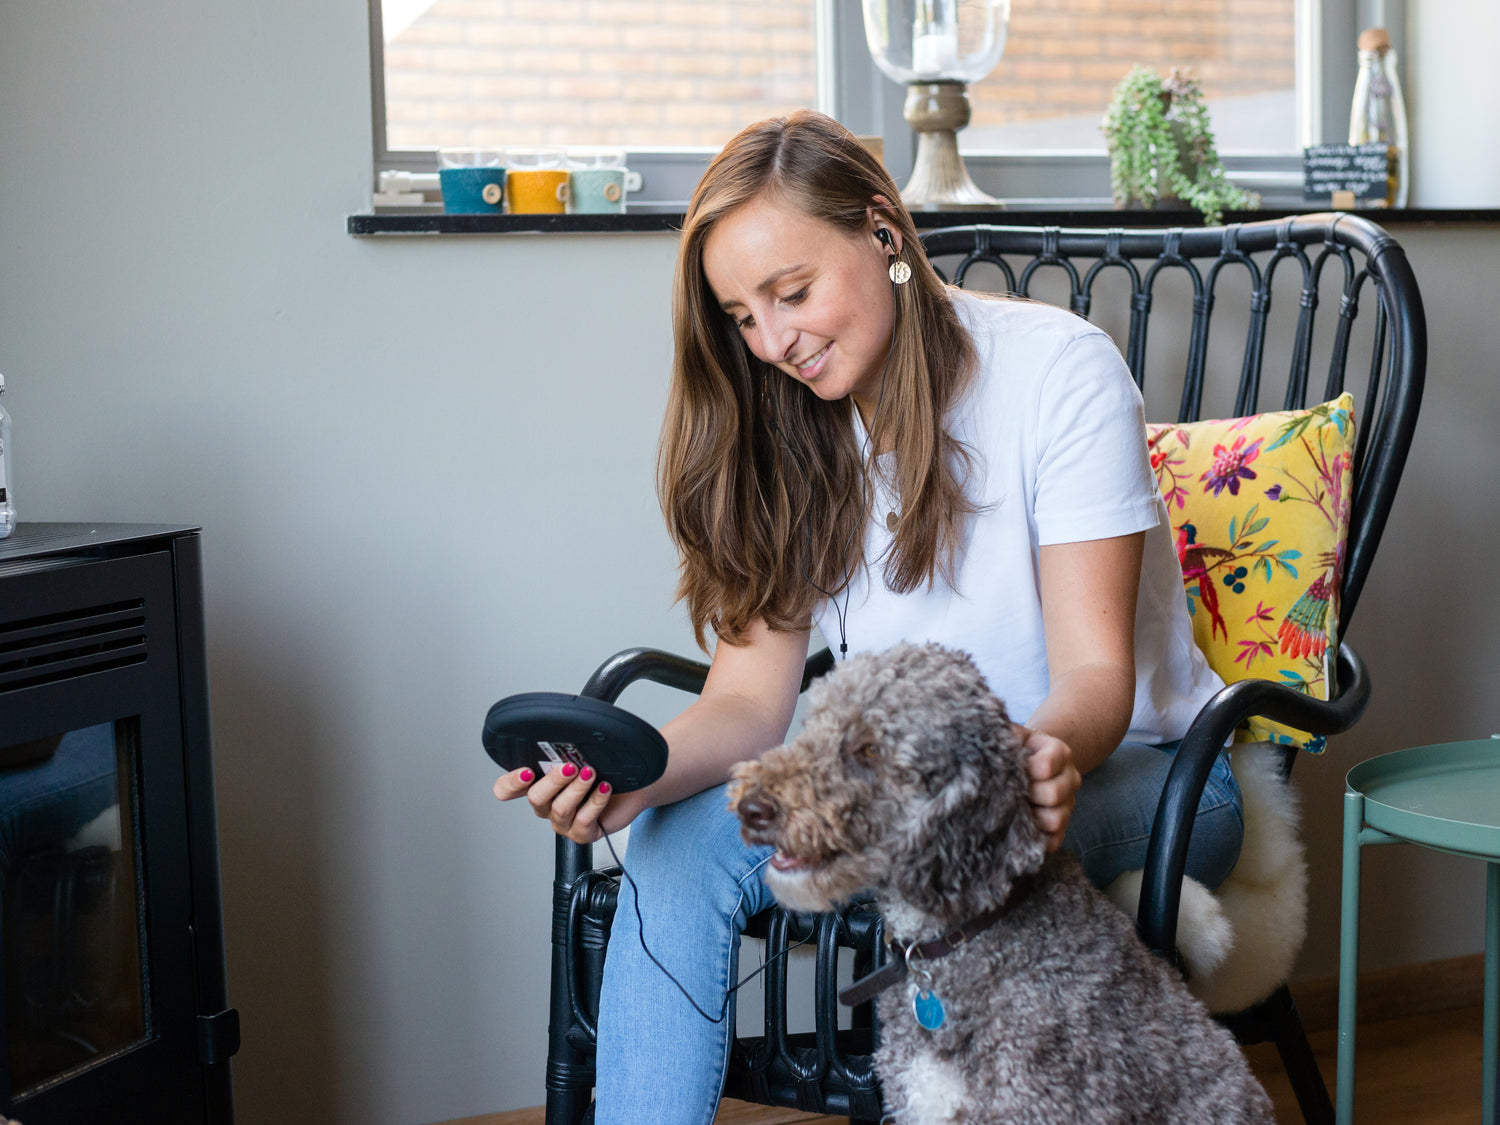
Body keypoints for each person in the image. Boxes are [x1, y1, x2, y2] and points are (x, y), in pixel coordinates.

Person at [494, 110, 1244, 1125]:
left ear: (883, 230)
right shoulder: (792, 424)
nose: (773, 342)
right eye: (742, 316)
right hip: (893, 787)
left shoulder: (1058, 371)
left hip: (1146, 776)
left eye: (792, 292)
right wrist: (638, 777)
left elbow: (1096, 677)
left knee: (937, 832)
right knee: (673, 843)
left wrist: (1037, 759)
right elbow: (751, 704)